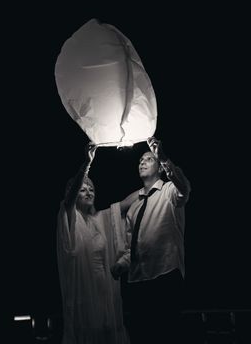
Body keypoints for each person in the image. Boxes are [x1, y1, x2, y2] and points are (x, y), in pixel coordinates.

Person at [110, 137, 191, 343]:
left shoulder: (169, 191)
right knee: (141, 336)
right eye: (140, 160)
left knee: (166, 335)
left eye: (148, 158)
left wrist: (163, 157)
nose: (142, 162)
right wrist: (121, 264)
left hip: (165, 274)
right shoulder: (134, 206)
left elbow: (184, 188)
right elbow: (131, 245)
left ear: (160, 168)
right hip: (138, 279)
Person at [56, 143, 138, 344]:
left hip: (105, 288)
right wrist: (87, 163)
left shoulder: (102, 219)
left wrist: (152, 184)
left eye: (91, 188)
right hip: (83, 290)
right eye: (82, 189)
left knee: (108, 330)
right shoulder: (69, 218)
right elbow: (68, 200)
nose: (88, 192)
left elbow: (127, 203)